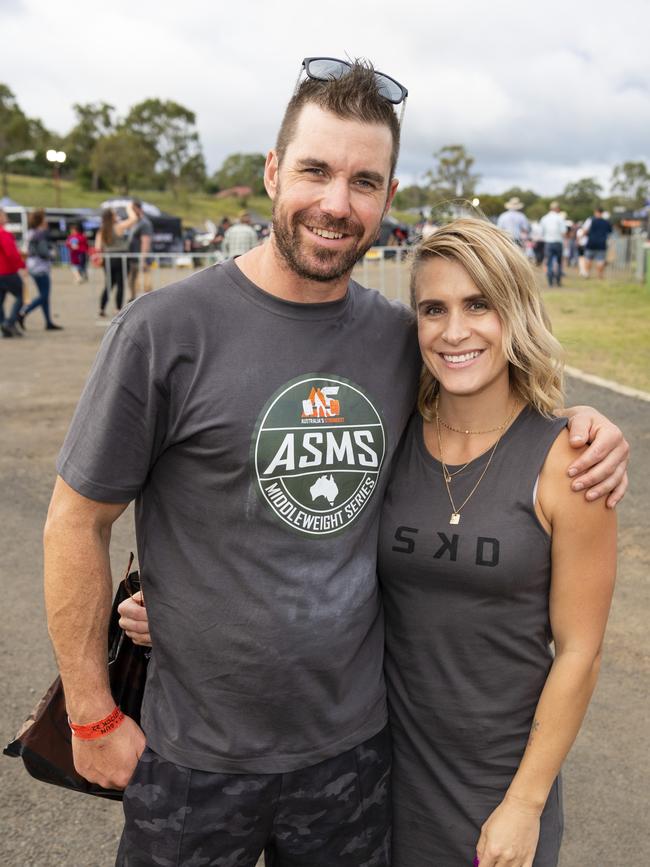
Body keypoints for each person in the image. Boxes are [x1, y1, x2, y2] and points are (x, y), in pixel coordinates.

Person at [44, 59, 627, 867]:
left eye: (363, 181)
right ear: (274, 171)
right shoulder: (163, 330)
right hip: (194, 755)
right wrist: (91, 710)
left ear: (386, 200)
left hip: (352, 758)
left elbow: (486, 384)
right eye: (315, 170)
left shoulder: (400, 336)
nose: (335, 202)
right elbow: (78, 517)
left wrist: (584, 424)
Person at [378, 218, 616, 866]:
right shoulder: (391, 443)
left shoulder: (570, 462)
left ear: (514, 312)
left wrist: (525, 803)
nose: (455, 331)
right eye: (434, 309)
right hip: (380, 780)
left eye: (478, 304)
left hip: (498, 787)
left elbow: (580, 652)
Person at [19, 209, 63, 331]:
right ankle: (23, 312)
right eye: (44, 218)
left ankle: (48, 322)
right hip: (40, 267)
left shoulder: (30, 233)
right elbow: (43, 252)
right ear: (40, 220)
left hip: (32, 266)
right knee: (44, 296)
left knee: (44, 295)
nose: (46, 220)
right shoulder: (40, 234)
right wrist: (52, 253)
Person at [95, 206, 138, 317]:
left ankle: (102, 308)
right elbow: (133, 219)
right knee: (120, 284)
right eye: (115, 214)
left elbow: (97, 247)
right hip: (120, 258)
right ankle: (117, 308)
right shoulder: (118, 227)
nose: (117, 216)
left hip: (108, 259)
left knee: (108, 284)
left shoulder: (102, 230)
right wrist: (129, 208)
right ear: (111, 217)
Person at [0, 207, 26, 338]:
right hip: (7, 271)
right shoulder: (3, 233)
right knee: (21, 296)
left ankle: (4, 324)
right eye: (4, 215)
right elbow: (11, 254)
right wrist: (22, 265)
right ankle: (9, 323)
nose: (6, 217)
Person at [126, 200, 153, 300]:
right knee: (132, 281)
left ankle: (148, 303)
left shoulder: (144, 223)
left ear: (137, 209)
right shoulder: (135, 222)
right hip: (133, 258)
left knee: (145, 284)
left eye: (132, 209)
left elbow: (145, 242)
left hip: (140, 259)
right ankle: (133, 300)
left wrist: (143, 259)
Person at [539, 201, 567, 287]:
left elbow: (542, 232)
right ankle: (558, 281)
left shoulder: (544, 218)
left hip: (548, 242)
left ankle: (550, 282)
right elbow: (564, 232)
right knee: (559, 262)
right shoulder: (560, 218)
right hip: (558, 242)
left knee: (549, 262)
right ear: (557, 209)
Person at [584, 207, 613, 279]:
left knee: (588, 258)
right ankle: (600, 275)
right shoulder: (606, 222)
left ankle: (587, 273)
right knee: (600, 260)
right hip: (602, 243)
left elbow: (585, 230)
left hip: (591, 242)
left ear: (596, 212)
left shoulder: (591, 220)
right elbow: (610, 232)